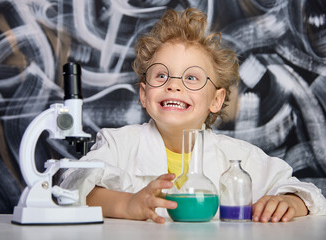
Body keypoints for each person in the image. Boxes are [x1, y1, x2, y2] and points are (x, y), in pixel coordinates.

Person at [61, 8, 326, 224]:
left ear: (216, 100)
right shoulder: (118, 144)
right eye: (161, 75)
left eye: (191, 78)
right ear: (144, 94)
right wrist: (128, 204)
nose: (174, 85)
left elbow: (309, 194)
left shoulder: (238, 158)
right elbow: (73, 189)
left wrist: (291, 201)